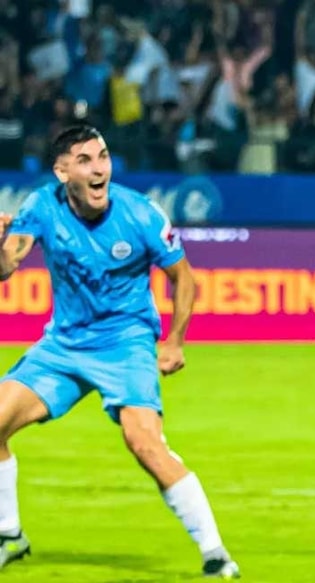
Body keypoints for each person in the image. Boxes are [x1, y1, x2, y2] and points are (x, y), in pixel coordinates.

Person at [0, 125, 240, 579]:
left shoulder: (141, 214)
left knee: (144, 443)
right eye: (86, 160)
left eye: (103, 157)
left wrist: (174, 340)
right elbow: (6, 269)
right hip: (64, 344)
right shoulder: (41, 206)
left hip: (125, 343)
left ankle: (216, 555)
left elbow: (184, 278)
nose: (99, 169)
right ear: (62, 171)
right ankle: (9, 533)